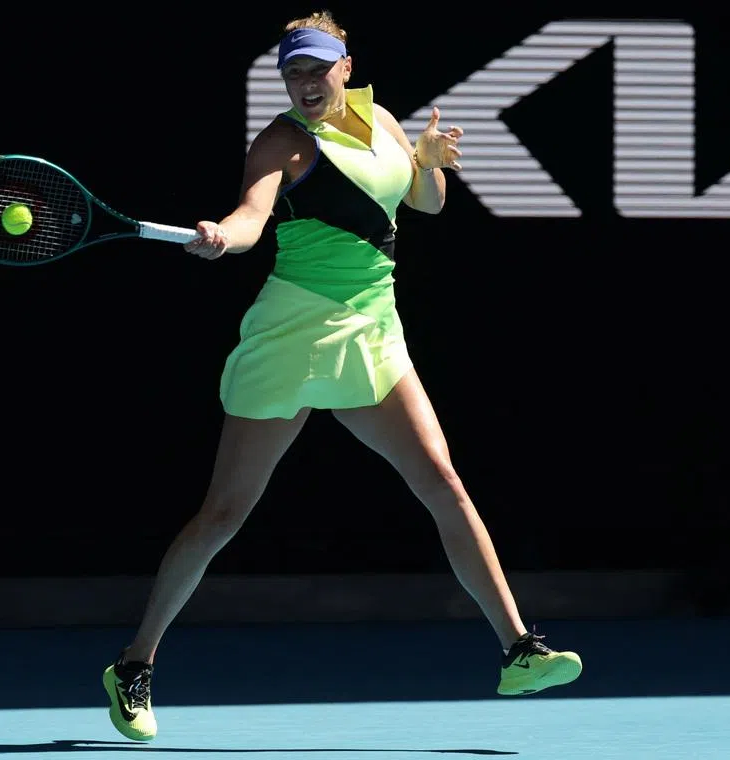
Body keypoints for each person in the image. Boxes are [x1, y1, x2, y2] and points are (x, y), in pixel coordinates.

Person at [102, 10, 582, 742]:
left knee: (442, 480)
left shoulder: (380, 118)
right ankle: (134, 664)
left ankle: (521, 647)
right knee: (225, 514)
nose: (303, 83)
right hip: (294, 330)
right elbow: (250, 219)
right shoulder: (283, 142)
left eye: (316, 68)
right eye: (291, 71)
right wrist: (219, 236)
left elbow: (422, 204)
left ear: (345, 66)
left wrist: (425, 161)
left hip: (373, 327)